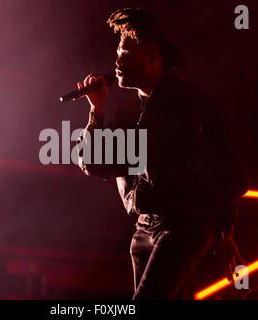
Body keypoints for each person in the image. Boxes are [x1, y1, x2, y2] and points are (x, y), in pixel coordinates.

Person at [75, 8, 248, 299]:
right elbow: (97, 164)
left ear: (154, 58)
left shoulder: (193, 106)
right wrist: (97, 111)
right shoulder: (127, 111)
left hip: (184, 226)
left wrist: (224, 233)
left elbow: (231, 174)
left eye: (127, 53)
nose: (117, 61)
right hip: (143, 229)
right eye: (118, 51)